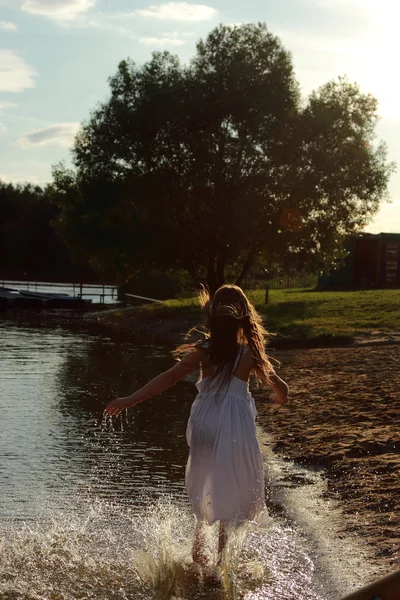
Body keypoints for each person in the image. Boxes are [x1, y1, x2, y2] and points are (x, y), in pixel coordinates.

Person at [105, 284, 289, 566]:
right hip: (234, 427)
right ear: (244, 316)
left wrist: (129, 399)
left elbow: (167, 378)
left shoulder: (203, 350)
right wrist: (280, 395)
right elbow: (280, 386)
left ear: (212, 316)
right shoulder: (250, 353)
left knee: (205, 480)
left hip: (206, 423)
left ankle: (198, 549)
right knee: (229, 483)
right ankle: (222, 562)